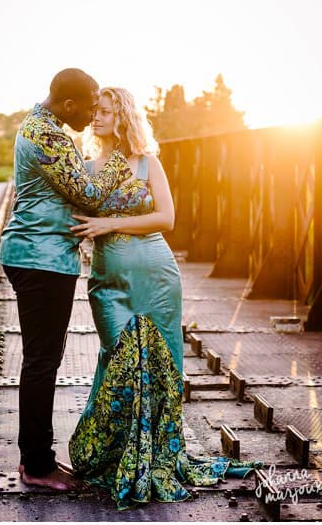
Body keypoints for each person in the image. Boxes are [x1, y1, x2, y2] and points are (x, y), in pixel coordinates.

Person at [67, 88, 258, 506]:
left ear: (124, 118)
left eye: (105, 112)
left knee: (159, 364)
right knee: (119, 362)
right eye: (94, 111)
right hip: (109, 281)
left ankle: (155, 455)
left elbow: (166, 218)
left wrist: (105, 223)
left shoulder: (146, 162)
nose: (96, 117)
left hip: (156, 274)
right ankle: (117, 452)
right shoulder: (85, 167)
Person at [0, 68, 155, 493]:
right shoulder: (46, 135)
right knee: (42, 362)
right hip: (40, 257)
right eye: (88, 107)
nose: (90, 116)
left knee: (42, 359)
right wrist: (122, 155)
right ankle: (35, 464)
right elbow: (87, 193)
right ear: (68, 105)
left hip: (42, 255)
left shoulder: (41, 125)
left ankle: (39, 458)